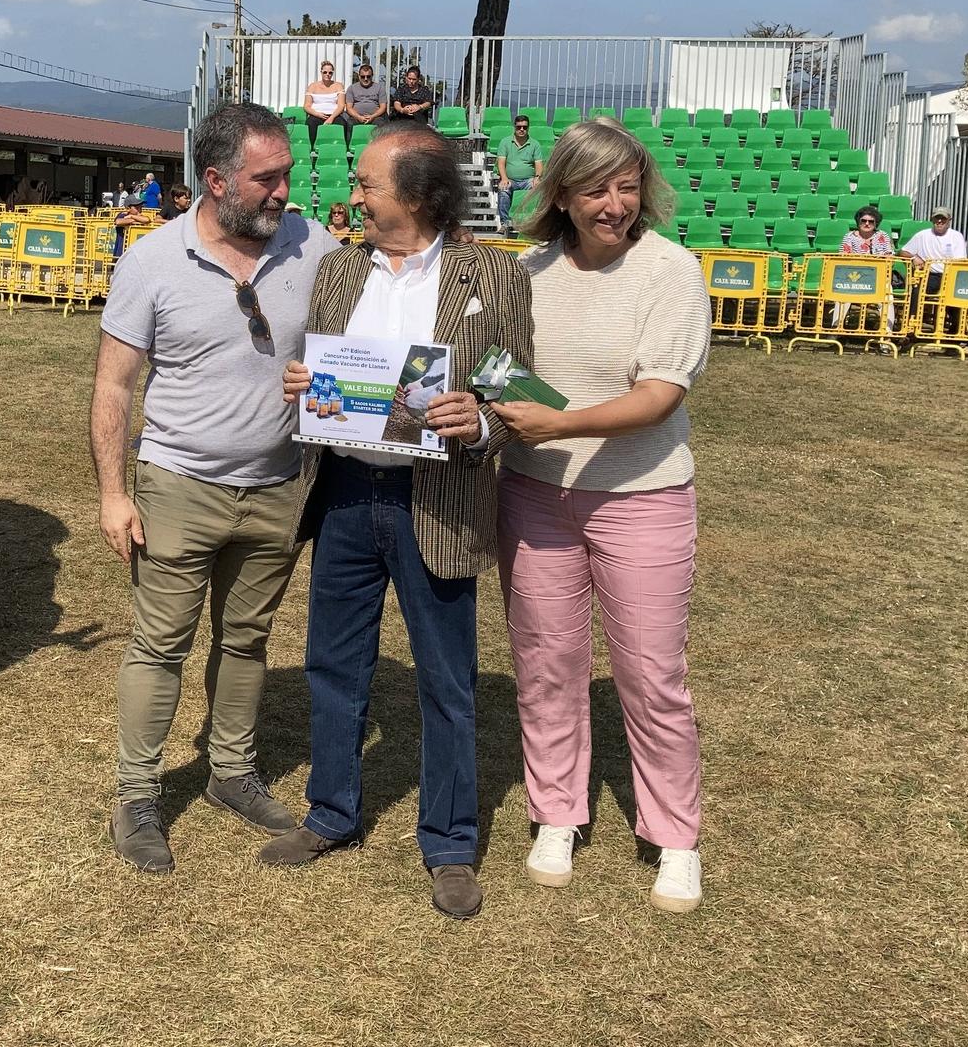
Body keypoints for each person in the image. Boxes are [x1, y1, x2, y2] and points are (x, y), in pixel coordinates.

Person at [259, 127, 534, 921]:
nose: (354, 193)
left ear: (415, 194)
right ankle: (331, 813)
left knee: (447, 683)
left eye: (367, 181)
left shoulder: (494, 274)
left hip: (438, 504)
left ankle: (449, 842)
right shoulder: (341, 270)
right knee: (332, 666)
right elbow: (327, 375)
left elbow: (517, 387)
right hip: (345, 496)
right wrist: (303, 382)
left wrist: (478, 420)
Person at [92, 103, 338, 874]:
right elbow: (113, 385)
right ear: (217, 180)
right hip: (178, 485)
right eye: (267, 179)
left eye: (287, 175)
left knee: (247, 638)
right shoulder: (152, 261)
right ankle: (137, 798)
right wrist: (113, 492)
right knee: (160, 643)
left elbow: (365, 344)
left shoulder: (314, 244)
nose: (282, 193)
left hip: (277, 486)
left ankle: (231, 771)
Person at [488, 118, 710, 914]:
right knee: (548, 665)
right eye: (595, 189)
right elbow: (501, 367)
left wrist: (561, 424)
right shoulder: (530, 269)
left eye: (626, 186)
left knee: (652, 674)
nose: (614, 204)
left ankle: (675, 834)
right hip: (533, 493)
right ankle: (556, 813)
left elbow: (660, 397)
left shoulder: (671, 271)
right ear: (562, 195)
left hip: (642, 497)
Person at [903, 206, 968, 337]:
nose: (939, 221)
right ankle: (911, 330)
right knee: (916, 292)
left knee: (959, 297)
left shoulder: (956, 236)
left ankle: (956, 333)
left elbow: (960, 261)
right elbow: (904, 251)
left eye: (943, 219)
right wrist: (914, 257)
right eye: (937, 218)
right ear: (932, 220)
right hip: (930, 275)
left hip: (951, 275)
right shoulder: (922, 235)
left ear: (949, 220)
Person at [496, 114, 544, 224]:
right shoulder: (505, 142)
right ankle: (505, 222)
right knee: (503, 189)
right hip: (510, 180)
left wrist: (537, 178)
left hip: (528, 180)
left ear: (528, 128)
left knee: (538, 188)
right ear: (515, 127)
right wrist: (504, 178)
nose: (522, 129)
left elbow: (539, 164)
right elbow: (501, 163)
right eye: (519, 127)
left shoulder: (535, 144)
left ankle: (531, 222)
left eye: (524, 127)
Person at [340, 62, 387, 134]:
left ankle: (378, 145)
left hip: (375, 117)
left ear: (372, 76)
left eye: (368, 76)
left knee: (381, 124)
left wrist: (372, 116)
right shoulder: (352, 88)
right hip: (356, 118)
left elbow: (383, 107)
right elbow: (349, 108)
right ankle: (350, 145)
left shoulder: (380, 88)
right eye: (363, 76)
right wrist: (359, 117)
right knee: (350, 123)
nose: (365, 79)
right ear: (359, 76)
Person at [303, 61, 345, 127]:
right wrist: (317, 114)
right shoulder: (312, 86)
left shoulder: (339, 86)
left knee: (342, 124)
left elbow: (341, 106)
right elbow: (306, 106)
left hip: (334, 115)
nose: (327, 74)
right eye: (325, 72)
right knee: (310, 123)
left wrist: (331, 118)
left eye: (330, 72)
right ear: (321, 72)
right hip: (316, 115)